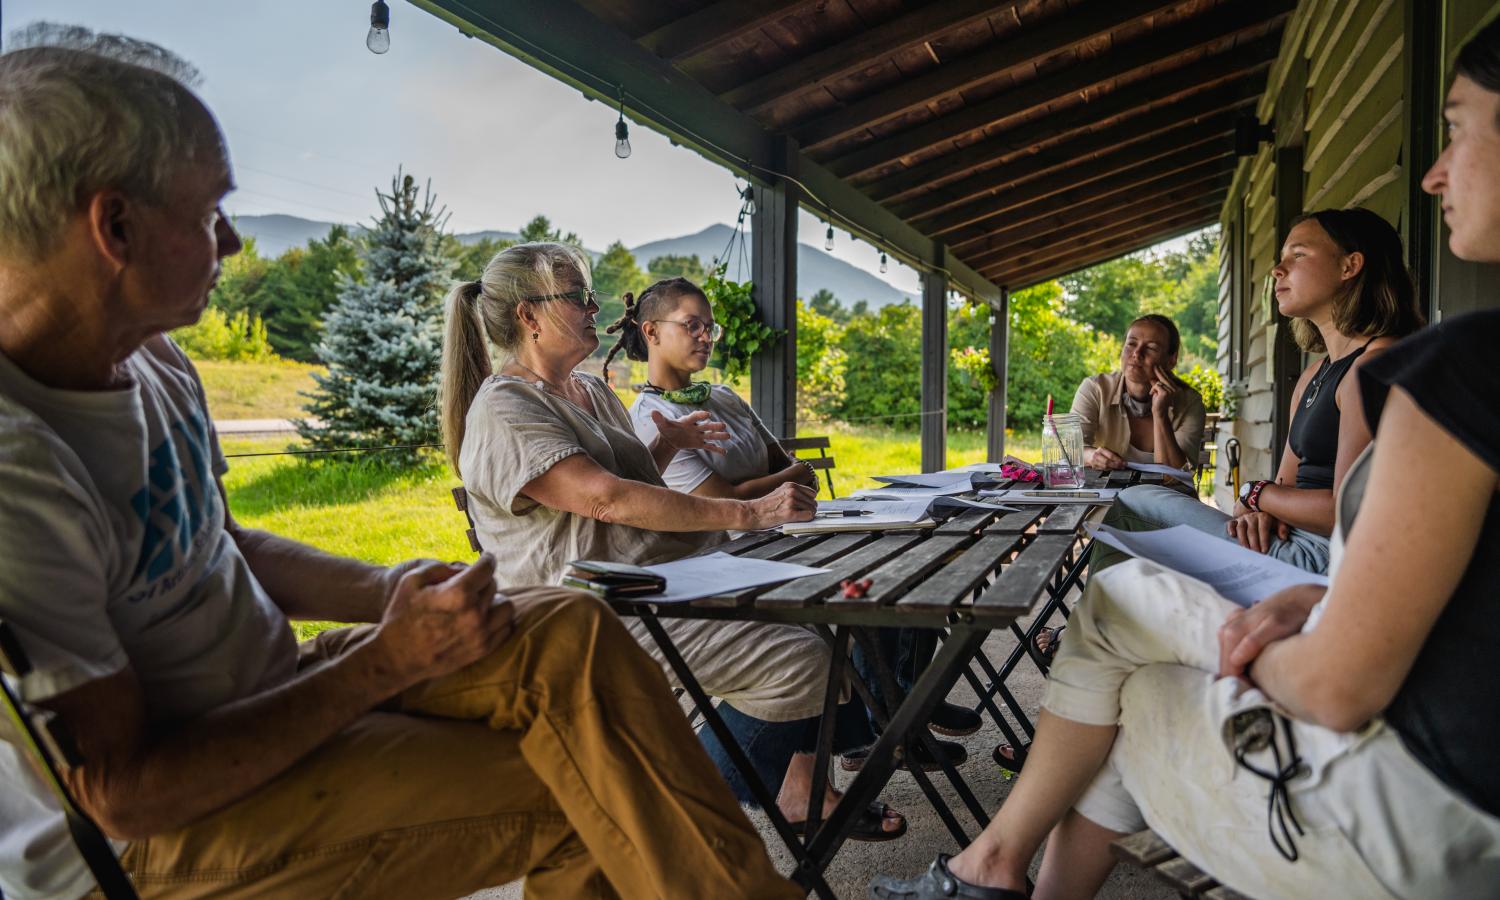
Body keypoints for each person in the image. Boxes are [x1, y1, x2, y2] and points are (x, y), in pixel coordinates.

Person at [0, 29, 802, 900]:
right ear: (114, 225)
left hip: (271, 687)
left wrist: (399, 592)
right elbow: (125, 795)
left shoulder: (156, 362)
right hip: (157, 836)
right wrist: (385, 663)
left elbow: (219, 543)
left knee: (567, 634)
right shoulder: (18, 465)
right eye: (207, 214)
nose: (230, 242)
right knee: (586, 790)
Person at [868, 19, 1500, 900]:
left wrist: (1251, 623)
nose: (1435, 171)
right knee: (1121, 664)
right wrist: (1313, 582)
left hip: (1429, 816)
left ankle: (986, 868)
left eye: (1462, 128)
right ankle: (992, 869)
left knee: (1122, 609)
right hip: (1429, 727)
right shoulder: (1349, 367)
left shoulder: (1446, 365)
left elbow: (1336, 684)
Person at [441, 244, 907, 841]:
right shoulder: (506, 407)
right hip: (586, 615)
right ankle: (683, 802)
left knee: (829, 618)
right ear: (529, 316)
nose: (594, 307)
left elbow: (630, 487)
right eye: (578, 297)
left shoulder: (591, 391)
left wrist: (666, 446)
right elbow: (604, 498)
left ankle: (792, 792)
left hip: (653, 585)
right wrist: (748, 511)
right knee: (802, 663)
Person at [611, 277, 979, 769]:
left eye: (710, 327)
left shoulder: (724, 398)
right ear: (651, 332)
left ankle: (905, 707)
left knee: (908, 562)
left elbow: (791, 468)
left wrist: (775, 481)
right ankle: (890, 722)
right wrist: (776, 483)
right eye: (691, 325)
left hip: (789, 534)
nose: (704, 336)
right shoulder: (654, 418)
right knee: (869, 587)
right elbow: (729, 500)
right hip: (735, 555)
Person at [1094, 208, 1425, 576]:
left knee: (1133, 501)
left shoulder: (1375, 366)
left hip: (1319, 559)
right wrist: (1257, 510)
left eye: (1297, 255)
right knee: (1133, 505)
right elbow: (1283, 484)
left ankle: (1085, 630)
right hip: (1283, 540)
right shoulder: (1314, 374)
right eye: (1281, 257)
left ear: (1350, 266)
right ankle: (1095, 627)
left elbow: (1344, 511)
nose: (1278, 269)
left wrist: (1253, 492)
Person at [1071, 313, 1206, 480]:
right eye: (1131, 344)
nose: (1137, 353)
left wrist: (1160, 414)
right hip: (1108, 499)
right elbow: (1071, 449)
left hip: (1164, 501)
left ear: (1171, 359)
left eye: (1151, 347)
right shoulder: (1096, 389)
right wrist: (1091, 456)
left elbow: (1173, 478)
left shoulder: (1189, 403)